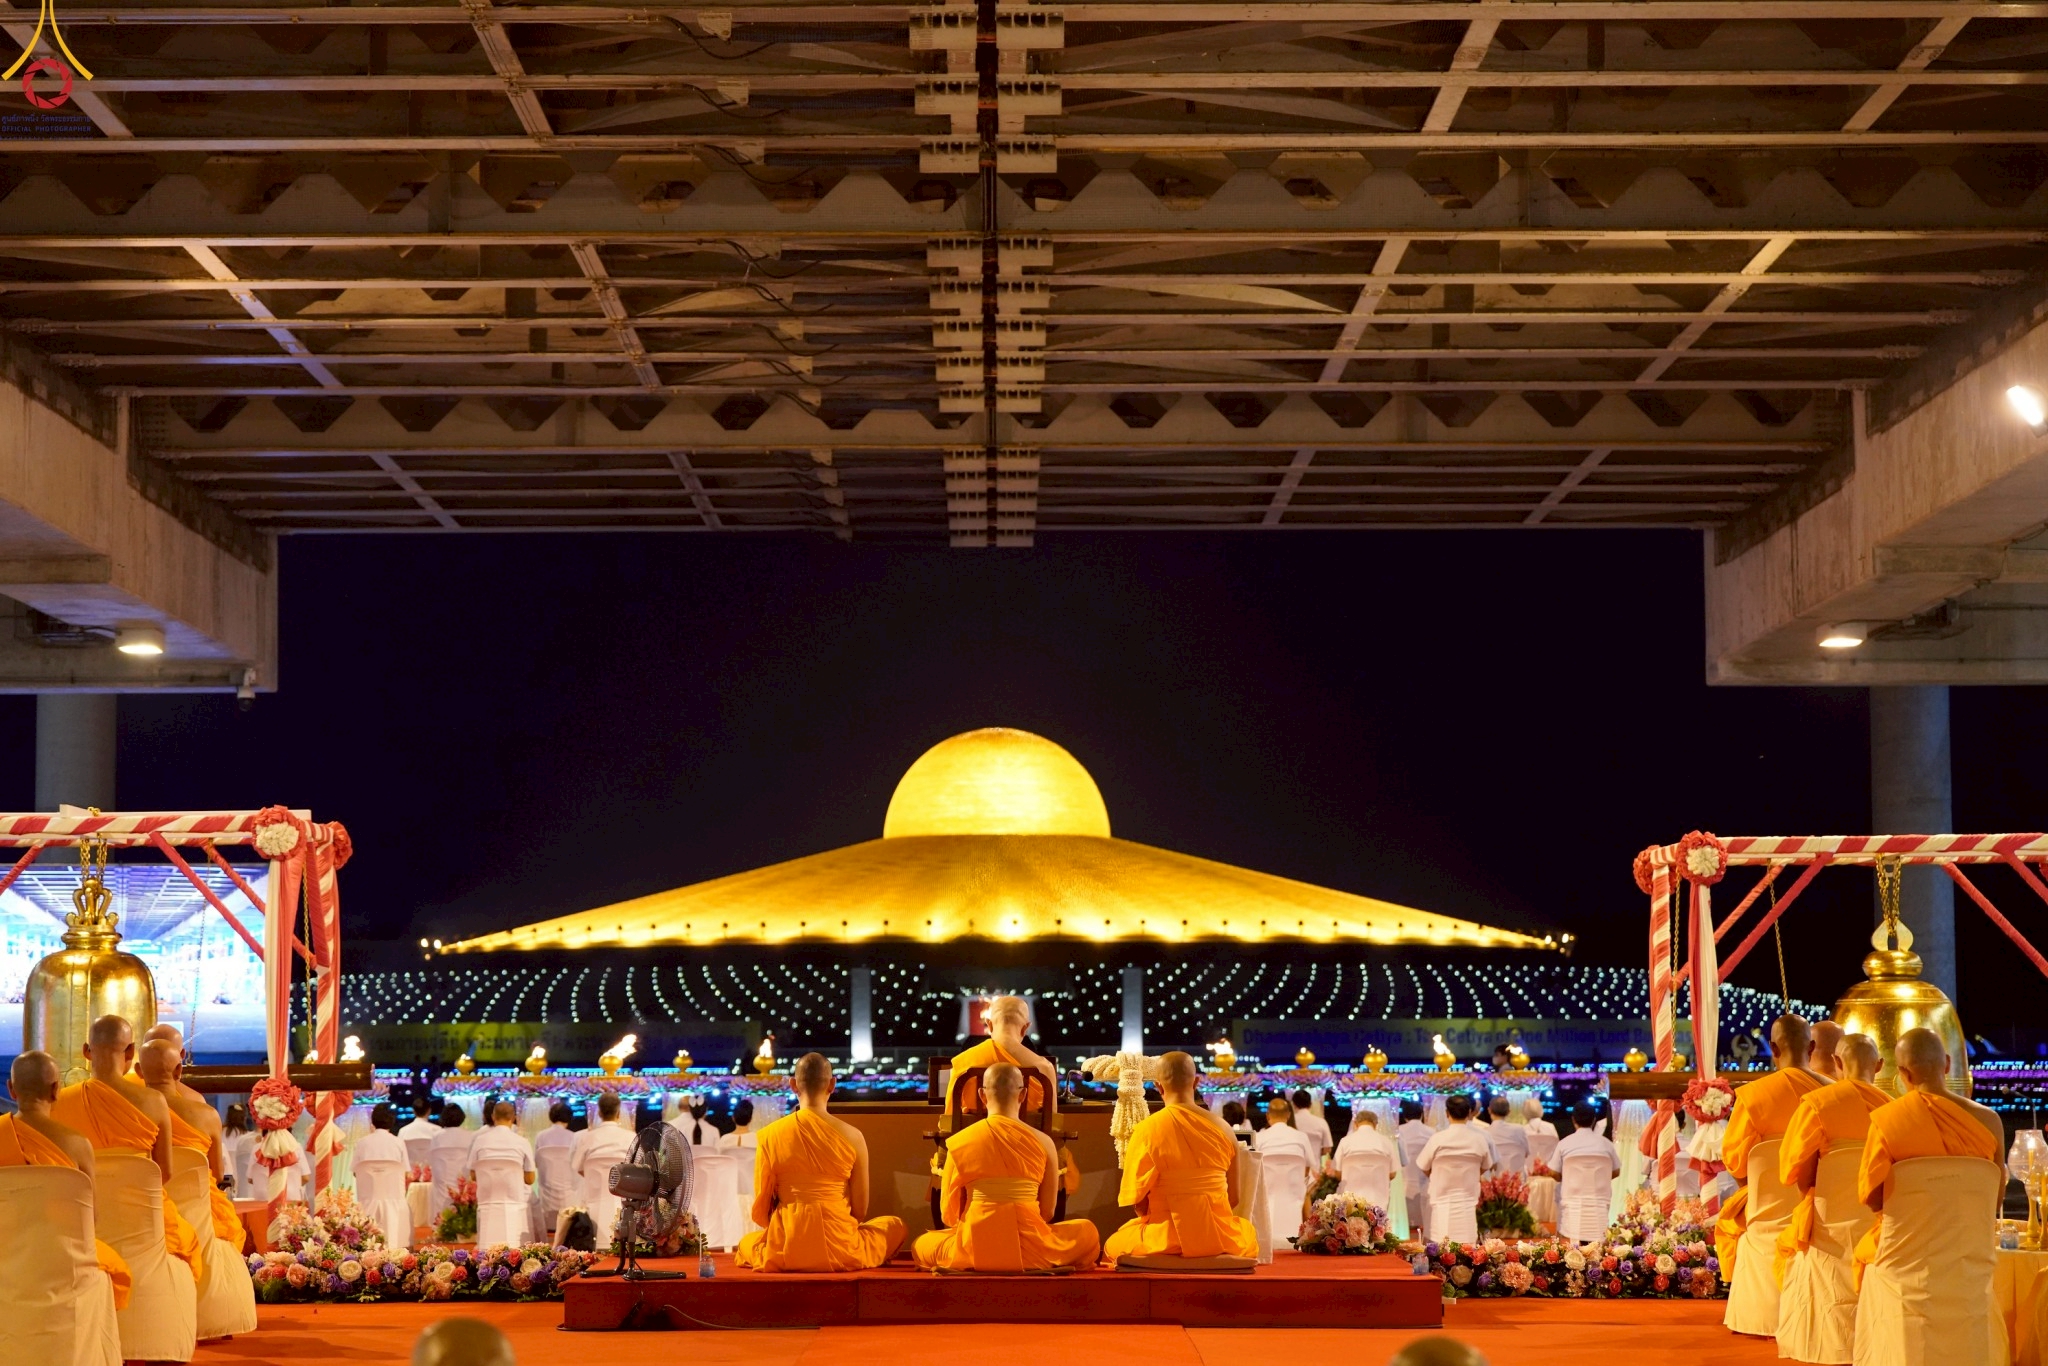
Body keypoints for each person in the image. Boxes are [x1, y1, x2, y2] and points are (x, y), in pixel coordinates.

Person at [1852, 1028, 2005, 1366]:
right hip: (1970, 1263)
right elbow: (1993, 1201)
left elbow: (1874, 1199)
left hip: (1908, 1268)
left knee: (1867, 1252)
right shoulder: (1990, 1122)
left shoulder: (1888, 1122)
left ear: (1903, 1074)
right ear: (1947, 1064)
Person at [50, 1014, 206, 1283]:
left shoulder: (60, 1104)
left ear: (86, 1051)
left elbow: (57, 1174)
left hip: (84, 1218)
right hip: (142, 1216)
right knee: (189, 1242)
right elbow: (164, 1173)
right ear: (132, 1052)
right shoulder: (153, 1102)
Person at [913, 1062, 1099, 1271]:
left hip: (973, 1249)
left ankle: (976, 1261)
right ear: (1022, 1095)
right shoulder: (1045, 1142)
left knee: (920, 1245)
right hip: (1032, 1251)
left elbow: (948, 1214)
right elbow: (1047, 1211)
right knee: (1087, 1232)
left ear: (982, 1095)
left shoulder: (961, 1140)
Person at [1775, 1032, 1888, 1365]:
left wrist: (1817, 1199)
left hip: (1828, 1229)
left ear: (1837, 1063)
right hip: (1879, 1227)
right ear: (1879, 1066)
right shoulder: (1894, 1110)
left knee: (1794, 1231)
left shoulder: (1817, 1105)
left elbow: (1792, 1171)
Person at [737, 1053, 905, 1270]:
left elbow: (763, 1208)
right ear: (832, 1085)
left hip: (787, 1246)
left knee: (746, 1243)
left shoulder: (771, 1134)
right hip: (841, 1246)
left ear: (793, 1085)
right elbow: (860, 1210)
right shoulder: (854, 1136)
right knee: (895, 1226)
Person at [1721, 1013, 1829, 1335]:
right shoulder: (1834, 1095)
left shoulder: (1755, 1096)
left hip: (1766, 1212)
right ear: (1811, 1048)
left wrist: (1760, 1190)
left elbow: (1735, 1162)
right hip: (1819, 1212)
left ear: (1773, 1048)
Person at [1, 1049, 133, 1309]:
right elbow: (90, 1217)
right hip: (62, 1255)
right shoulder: (78, 1145)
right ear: (55, 1089)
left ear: (11, 1089)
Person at [1103, 1051, 1258, 1261]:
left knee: (1114, 1244)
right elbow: (1234, 1198)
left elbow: (1137, 1201)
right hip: (1218, 1237)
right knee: (1247, 1232)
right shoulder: (1224, 1129)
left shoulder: (1146, 1130)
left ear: (1158, 1086)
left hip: (1164, 1238)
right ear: (1196, 1082)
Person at [136, 1040, 247, 1261]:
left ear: (139, 1071)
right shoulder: (206, 1115)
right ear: (179, 1069)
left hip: (146, 1212)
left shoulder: (129, 1113)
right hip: (198, 1215)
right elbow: (216, 1174)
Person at [948, 996, 1059, 1116]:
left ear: (989, 1025)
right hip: (1027, 1134)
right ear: (1025, 1028)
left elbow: (949, 1120)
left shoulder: (963, 1062)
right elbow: (1053, 1122)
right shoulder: (1045, 1068)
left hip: (975, 1134)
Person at [1416, 1095, 1494, 1242]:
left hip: (1441, 1199)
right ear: (1470, 1112)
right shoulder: (1479, 1139)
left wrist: (1438, 1175)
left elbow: (1423, 1166)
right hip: (1468, 1199)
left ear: (1446, 1113)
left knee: (1442, 1248)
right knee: (1468, 1247)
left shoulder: (1438, 1139)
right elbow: (1485, 1166)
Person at [1552, 1104, 1621, 1242]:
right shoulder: (1606, 1144)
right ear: (1594, 1120)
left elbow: (1554, 1172)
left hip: (1572, 1206)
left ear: (1573, 1120)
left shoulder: (1565, 1144)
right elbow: (1616, 1171)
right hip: (1600, 1205)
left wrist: (1570, 1178)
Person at [1396, 1099, 1433, 1232]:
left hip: (1403, 1182)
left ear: (1405, 1116)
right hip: (1425, 1181)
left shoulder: (1398, 1131)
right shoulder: (1431, 1132)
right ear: (1422, 1115)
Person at [1252, 1096, 1318, 1171]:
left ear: (1267, 1116)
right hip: (1295, 1182)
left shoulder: (1258, 1137)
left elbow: (1253, 1167)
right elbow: (1307, 1166)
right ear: (1289, 1115)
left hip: (1267, 1182)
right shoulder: (1301, 1136)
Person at [1485, 1096, 1529, 1177]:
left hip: (1493, 1182)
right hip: (1517, 1182)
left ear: (1489, 1110)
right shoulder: (1519, 1129)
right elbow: (1526, 1154)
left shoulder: (1484, 1133)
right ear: (1509, 1112)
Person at [222, 1104, 255, 1195]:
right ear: (244, 1118)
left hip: (225, 1174)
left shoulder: (221, 1133)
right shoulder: (248, 1138)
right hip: (244, 1178)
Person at [1290, 1089, 1332, 1157]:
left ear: (1293, 1104)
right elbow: (1327, 1148)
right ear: (1310, 1104)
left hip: (1293, 1164)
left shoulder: (1289, 1122)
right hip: (1314, 1165)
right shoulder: (1321, 1122)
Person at [398, 1104, 440, 1169]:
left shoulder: (403, 1131)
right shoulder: (438, 1130)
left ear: (413, 1111)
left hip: (409, 1174)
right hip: (433, 1173)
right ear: (429, 1111)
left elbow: (400, 1155)